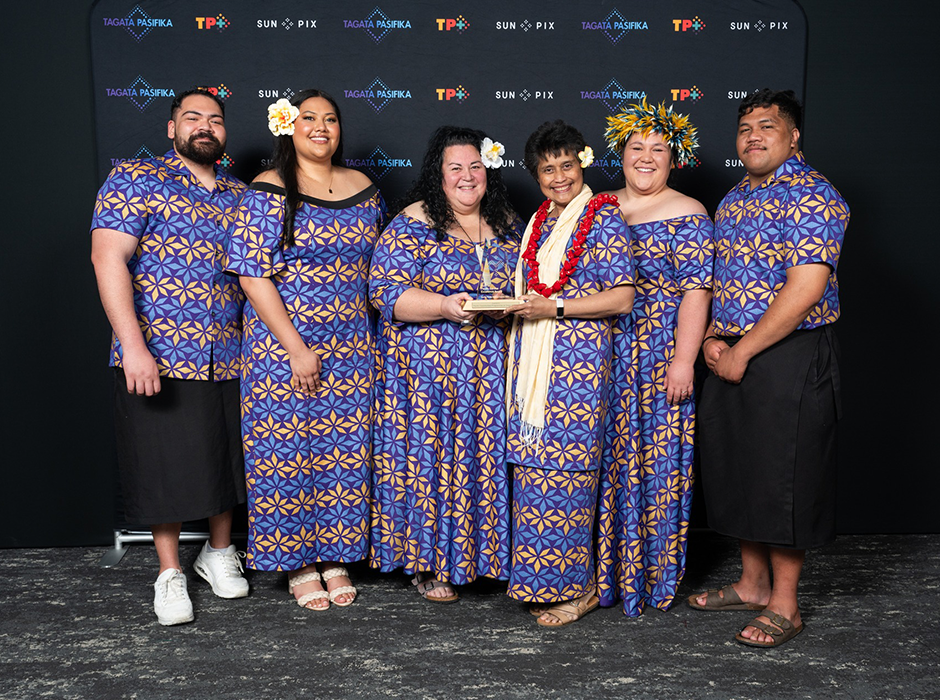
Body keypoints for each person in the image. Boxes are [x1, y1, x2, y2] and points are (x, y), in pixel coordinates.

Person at [690, 89, 849, 648]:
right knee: (741, 469)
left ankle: (785, 604)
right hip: (731, 349)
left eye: (767, 125)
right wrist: (713, 338)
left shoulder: (812, 195)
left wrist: (743, 350)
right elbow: (721, 282)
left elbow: (806, 289)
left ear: (793, 134)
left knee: (785, 476)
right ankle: (753, 584)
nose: (753, 136)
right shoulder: (734, 199)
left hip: (789, 353)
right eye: (745, 128)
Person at [90, 88, 249, 626]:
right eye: (192, 118)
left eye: (216, 120)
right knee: (162, 466)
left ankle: (218, 553)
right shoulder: (136, 179)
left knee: (226, 456)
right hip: (159, 351)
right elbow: (107, 255)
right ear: (171, 128)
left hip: (231, 352)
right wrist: (133, 346)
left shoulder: (242, 193)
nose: (205, 127)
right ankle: (168, 572)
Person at [224, 90, 385, 610]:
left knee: (344, 453)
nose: (321, 127)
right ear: (288, 126)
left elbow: (380, 268)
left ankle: (335, 555)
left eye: (331, 119)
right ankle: (298, 563)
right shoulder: (269, 189)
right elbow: (252, 273)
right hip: (283, 345)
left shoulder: (364, 188)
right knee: (286, 454)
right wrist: (295, 346)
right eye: (309, 118)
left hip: (355, 347)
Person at [369, 126, 520, 602]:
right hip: (428, 375)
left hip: (491, 373)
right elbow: (386, 295)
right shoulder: (413, 223)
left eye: (476, 166)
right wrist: (446, 306)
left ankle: (483, 558)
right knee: (433, 463)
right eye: (456, 167)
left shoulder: (510, 223)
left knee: (483, 460)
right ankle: (429, 563)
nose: (467, 175)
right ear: (439, 175)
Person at [504, 120, 636, 626]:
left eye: (567, 165)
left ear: (581, 163)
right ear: (535, 175)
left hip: (577, 368)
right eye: (547, 169)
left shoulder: (601, 217)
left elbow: (622, 296)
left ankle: (579, 588)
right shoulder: (540, 219)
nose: (559, 176)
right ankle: (539, 580)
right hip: (533, 363)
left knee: (571, 476)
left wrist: (554, 308)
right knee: (536, 474)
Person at [602, 99, 714, 615]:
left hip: (657, 357)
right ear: (620, 153)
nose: (645, 158)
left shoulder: (687, 211)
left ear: (675, 159)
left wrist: (683, 360)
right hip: (600, 358)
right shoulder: (597, 206)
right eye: (636, 147)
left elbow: (696, 291)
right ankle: (599, 577)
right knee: (605, 464)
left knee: (657, 463)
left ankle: (650, 576)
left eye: (658, 150)